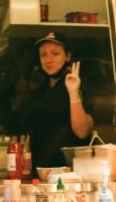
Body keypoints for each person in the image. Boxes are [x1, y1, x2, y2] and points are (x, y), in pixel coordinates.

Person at [20, 31, 94, 170]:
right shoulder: (38, 90)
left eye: (55, 53)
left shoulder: (80, 86)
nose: (49, 59)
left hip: (68, 175)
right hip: (37, 173)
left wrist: (73, 92)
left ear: (68, 56)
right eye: (44, 54)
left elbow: (83, 131)